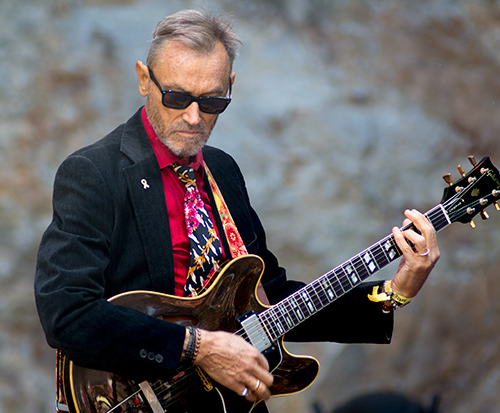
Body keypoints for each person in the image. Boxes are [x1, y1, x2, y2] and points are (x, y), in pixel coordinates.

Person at [34, 9, 439, 413]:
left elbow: (270, 297)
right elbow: (67, 312)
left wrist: (392, 293)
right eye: (176, 97)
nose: (194, 118)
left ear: (231, 86)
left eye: (212, 102)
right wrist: (198, 348)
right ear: (144, 79)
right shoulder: (93, 173)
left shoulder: (223, 170)